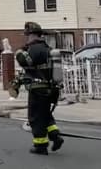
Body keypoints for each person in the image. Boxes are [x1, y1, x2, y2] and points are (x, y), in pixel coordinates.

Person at [15, 22, 64, 155]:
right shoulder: (46, 48)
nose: (26, 38)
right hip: (50, 88)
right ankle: (55, 136)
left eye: (27, 35)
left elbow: (25, 62)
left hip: (38, 89)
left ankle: (40, 145)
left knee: (35, 117)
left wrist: (19, 51)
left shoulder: (34, 49)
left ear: (32, 35)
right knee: (45, 114)